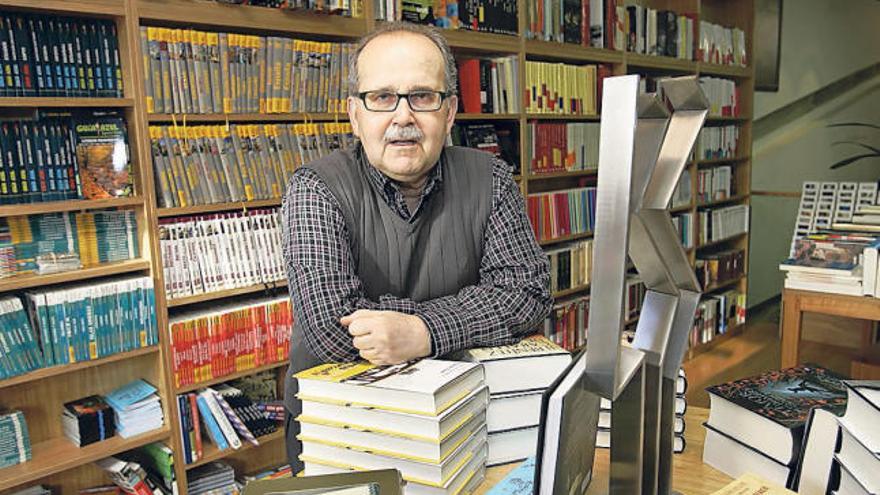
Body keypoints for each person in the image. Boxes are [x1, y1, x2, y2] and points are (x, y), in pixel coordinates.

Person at [281, 22, 552, 472]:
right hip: (342, 435)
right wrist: (468, 314)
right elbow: (332, 328)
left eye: (422, 97)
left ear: (448, 112)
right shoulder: (315, 189)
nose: (403, 117)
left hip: (461, 421)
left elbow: (527, 293)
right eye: (383, 97)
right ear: (355, 114)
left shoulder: (492, 179)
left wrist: (421, 331)